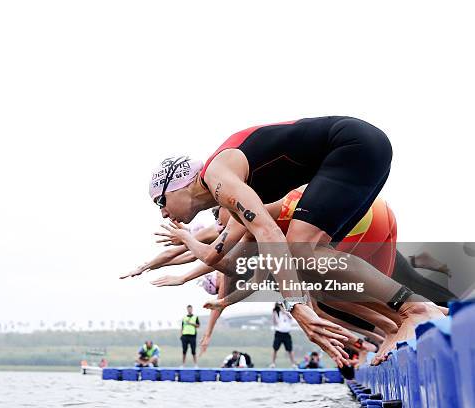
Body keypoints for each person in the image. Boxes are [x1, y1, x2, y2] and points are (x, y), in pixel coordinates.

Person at [148, 118, 446, 366]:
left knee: (302, 251)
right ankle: (399, 321)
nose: (162, 212)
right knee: (316, 278)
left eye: (160, 201)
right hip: (357, 154)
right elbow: (221, 258)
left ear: (178, 185)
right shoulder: (229, 195)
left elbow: (269, 234)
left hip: (352, 148)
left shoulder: (219, 179)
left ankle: (417, 309)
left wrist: (294, 304)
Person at [271, 303, 297, 368]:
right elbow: (275, 322)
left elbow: (291, 318)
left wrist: (284, 311)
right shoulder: (277, 313)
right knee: (275, 349)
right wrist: (274, 313)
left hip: (286, 334)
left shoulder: (287, 312)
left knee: (290, 349)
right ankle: (273, 363)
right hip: (279, 333)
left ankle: (293, 363)